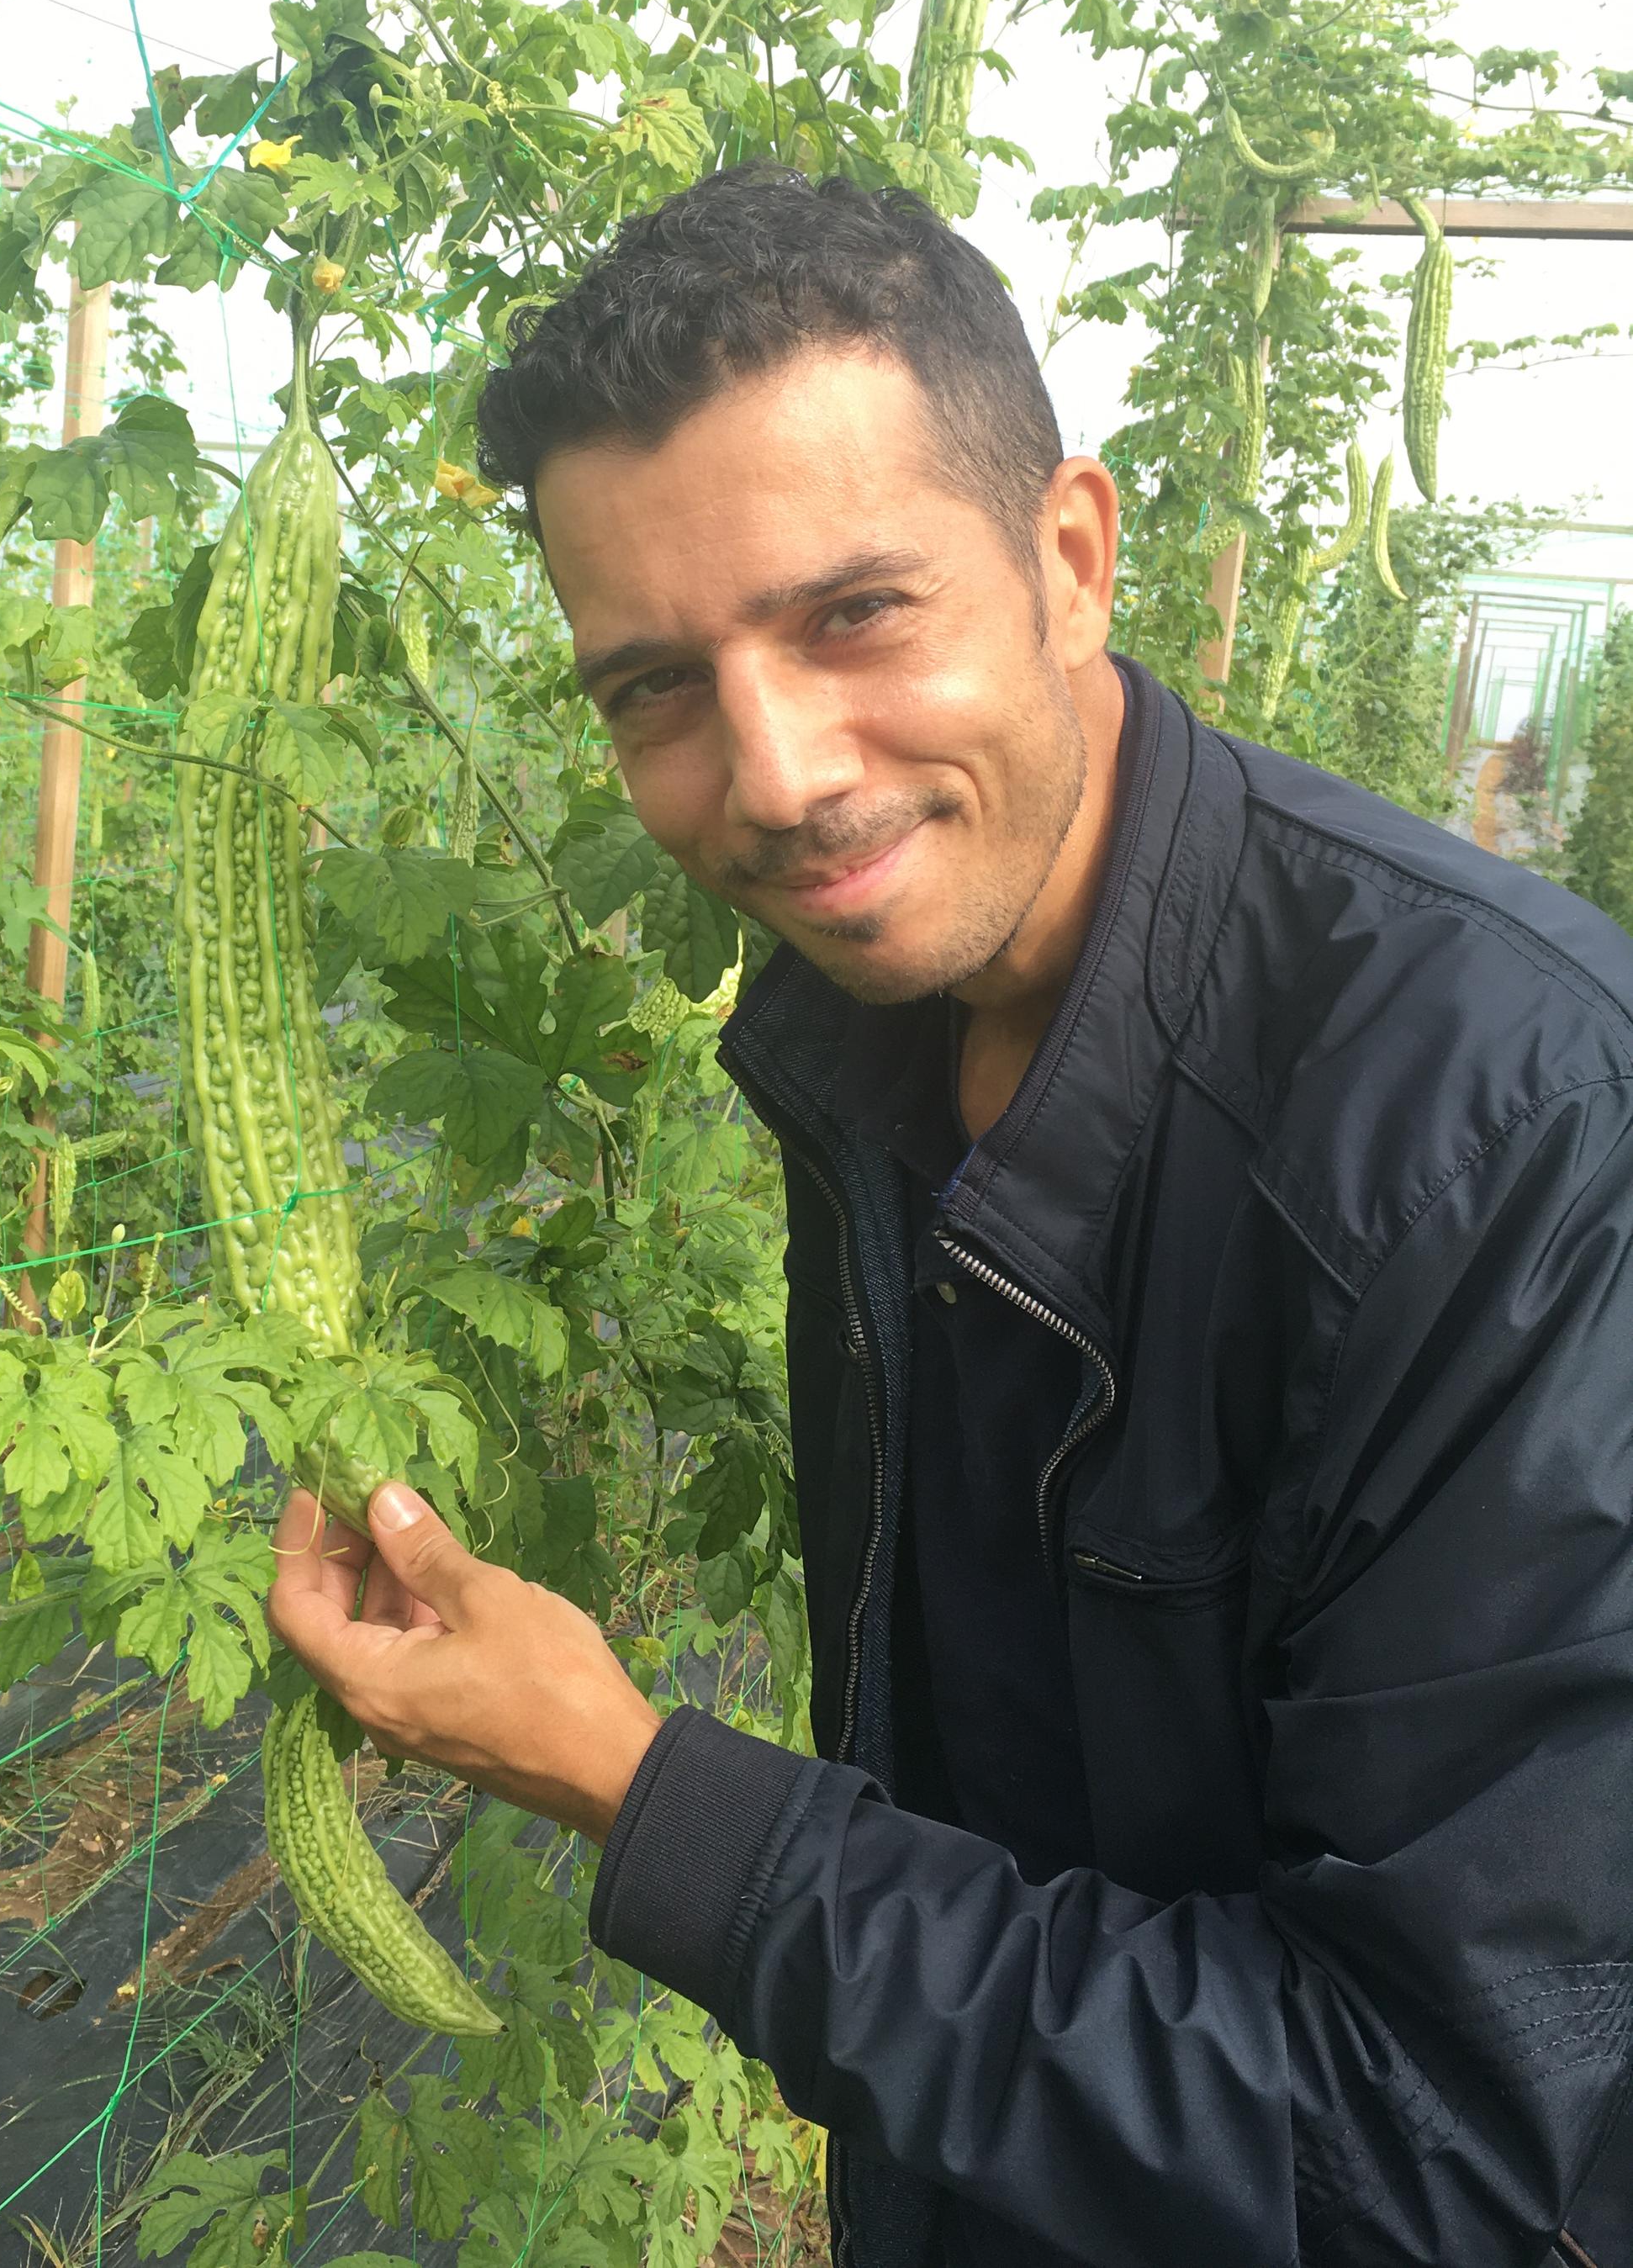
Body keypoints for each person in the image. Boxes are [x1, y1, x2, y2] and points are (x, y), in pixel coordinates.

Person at [267, 167, 1633, 2268]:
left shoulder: (1508, 1134)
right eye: (652, 684)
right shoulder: (873, 1017)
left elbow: (1415, 2141)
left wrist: (639, 1784)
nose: (774, 772)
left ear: (1067, 559)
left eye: (851, 614)